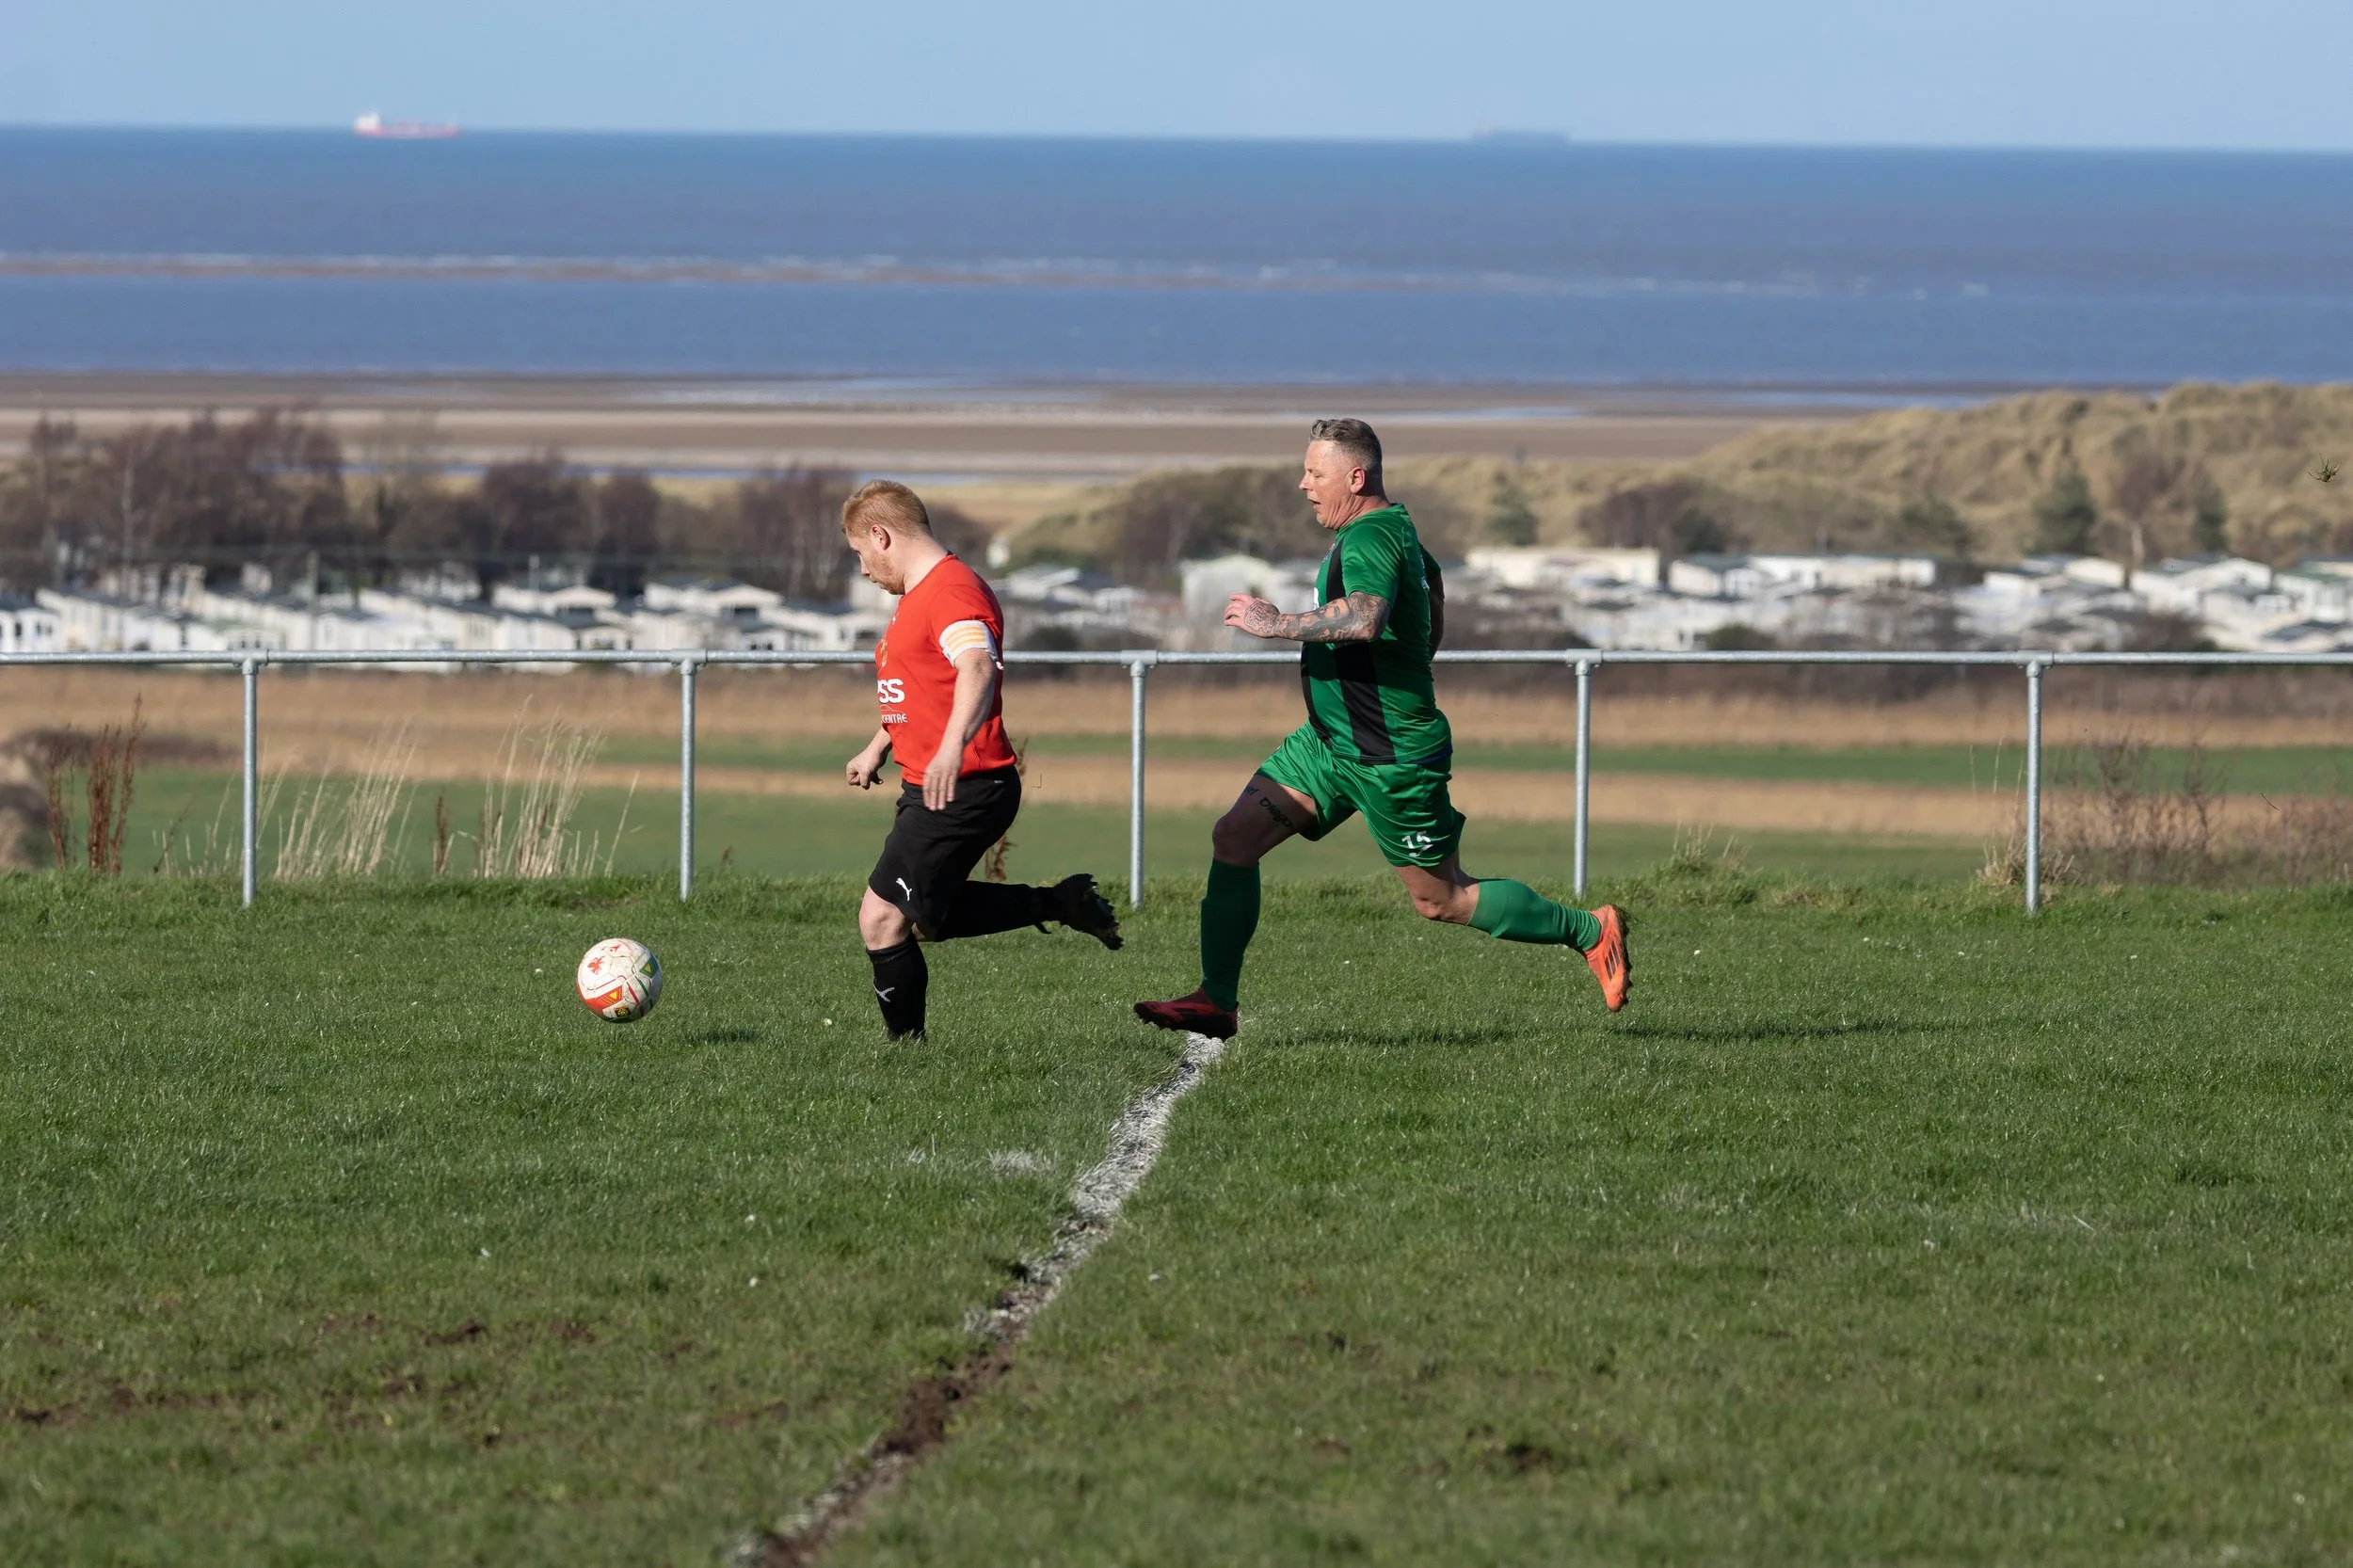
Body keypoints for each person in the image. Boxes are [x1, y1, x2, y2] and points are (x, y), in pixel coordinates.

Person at [1133, 419, 1630, 1041]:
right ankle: (1216, 999)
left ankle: (1591, 930)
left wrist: (1275, 622)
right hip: (1329, 744)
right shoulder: (1401, 535)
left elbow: (1367, 616)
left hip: (1388, 755)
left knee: (1442, 899)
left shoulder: (1370, 538)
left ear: (1356, 477)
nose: (1303, 484)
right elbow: (1432, 601)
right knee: (1234, 838)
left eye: (1315, 473)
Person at [840, 480, 1122, 1038]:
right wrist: (880, 744)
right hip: (933, 782)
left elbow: (977, 667)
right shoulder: (918, 596)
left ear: (882, 535)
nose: (865, 570)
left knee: (880, 919)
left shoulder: (950, 591)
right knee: (925, 920)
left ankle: (907, 1055)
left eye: (860, 555)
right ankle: (1062, 903)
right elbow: (925, 687)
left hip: (965, 783)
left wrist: (949, 747)